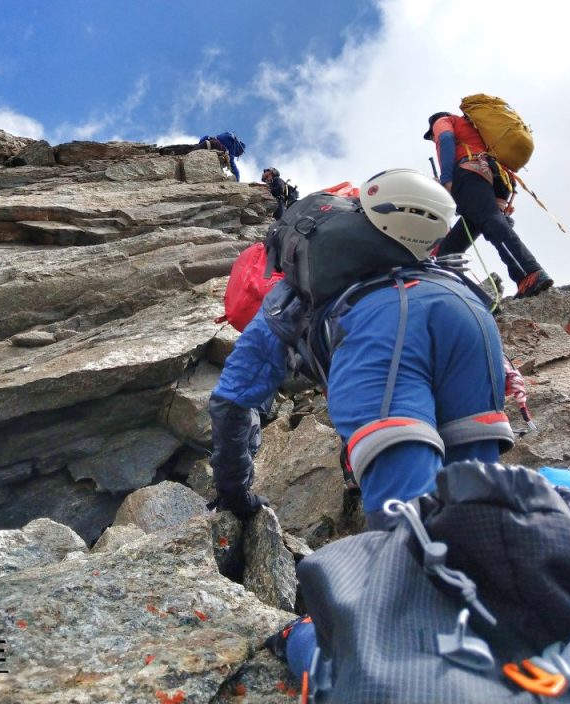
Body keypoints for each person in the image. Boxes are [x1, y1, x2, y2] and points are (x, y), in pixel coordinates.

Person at [208, 169, 514, 529]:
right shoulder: (403, 258)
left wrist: (233, 490)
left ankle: (419, 574)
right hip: (469, 311)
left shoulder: (286, 297)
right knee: (479, 498)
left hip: (386, 322)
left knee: (409, 522)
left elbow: (232, 399)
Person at [423, 111, 552, 298]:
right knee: (448, 251)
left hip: (472, 171)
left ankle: (530, 272)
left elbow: (445, 138)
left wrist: (446, 179)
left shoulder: (443, 121)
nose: (433, 138)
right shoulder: (473, 127)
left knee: (490, 221)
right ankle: (463, 294)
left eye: (431, 136)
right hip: (500, 179)